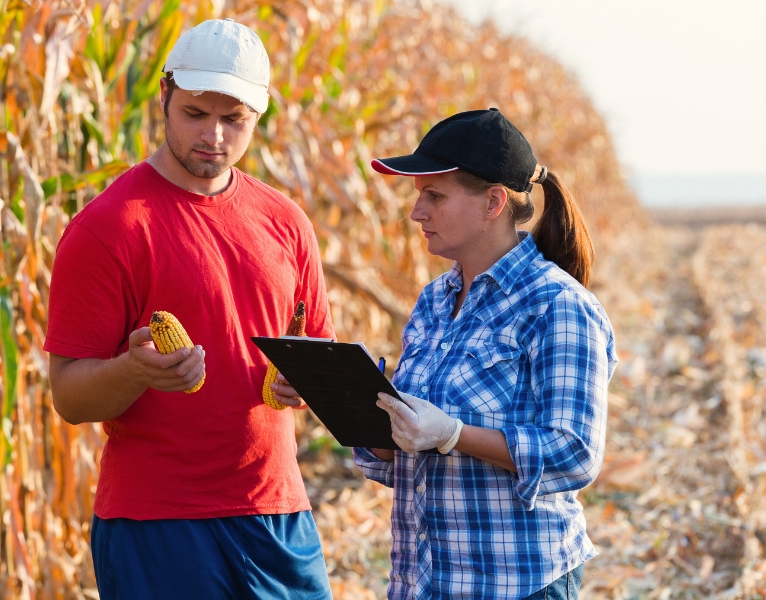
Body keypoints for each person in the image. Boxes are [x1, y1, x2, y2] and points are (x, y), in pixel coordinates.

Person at [45, 19, 334, 600]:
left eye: (235, 120)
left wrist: (304, 382)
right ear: (164, 95)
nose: (216, 137)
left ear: (261, 114)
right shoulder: (108, 228)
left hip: (277, 513)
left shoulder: (286, 223)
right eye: (196, 114)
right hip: (157, 522)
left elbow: (316, 352)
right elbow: (69, 397)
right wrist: (134, 371)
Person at [354, 108, 618, 600]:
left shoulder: (558, 306)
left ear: (494, 202)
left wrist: (455, 434)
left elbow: (575, 453)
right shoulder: (434, 300)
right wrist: (355, 405)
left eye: (434, 195)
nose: (417, 212)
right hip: (423, 581)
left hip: (515, 582)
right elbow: (405, 461)